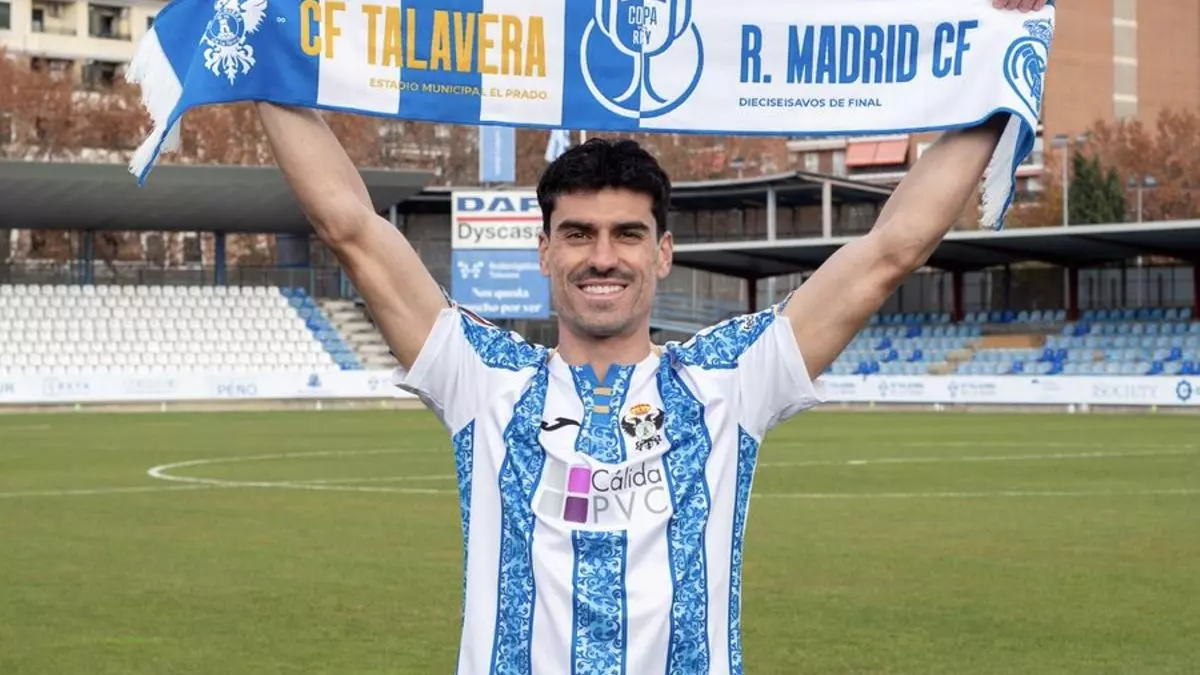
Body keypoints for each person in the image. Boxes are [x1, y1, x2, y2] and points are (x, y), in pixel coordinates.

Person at [255, 3, 1044, 671]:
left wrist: (999, 70)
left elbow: (890, 250)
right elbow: (349, 226)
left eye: (627, 233)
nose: (602, 257)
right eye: (578, 234)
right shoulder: (483, 376)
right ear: (544, 250)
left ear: (662, 252)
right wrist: (256, 42)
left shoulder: (729, 378)